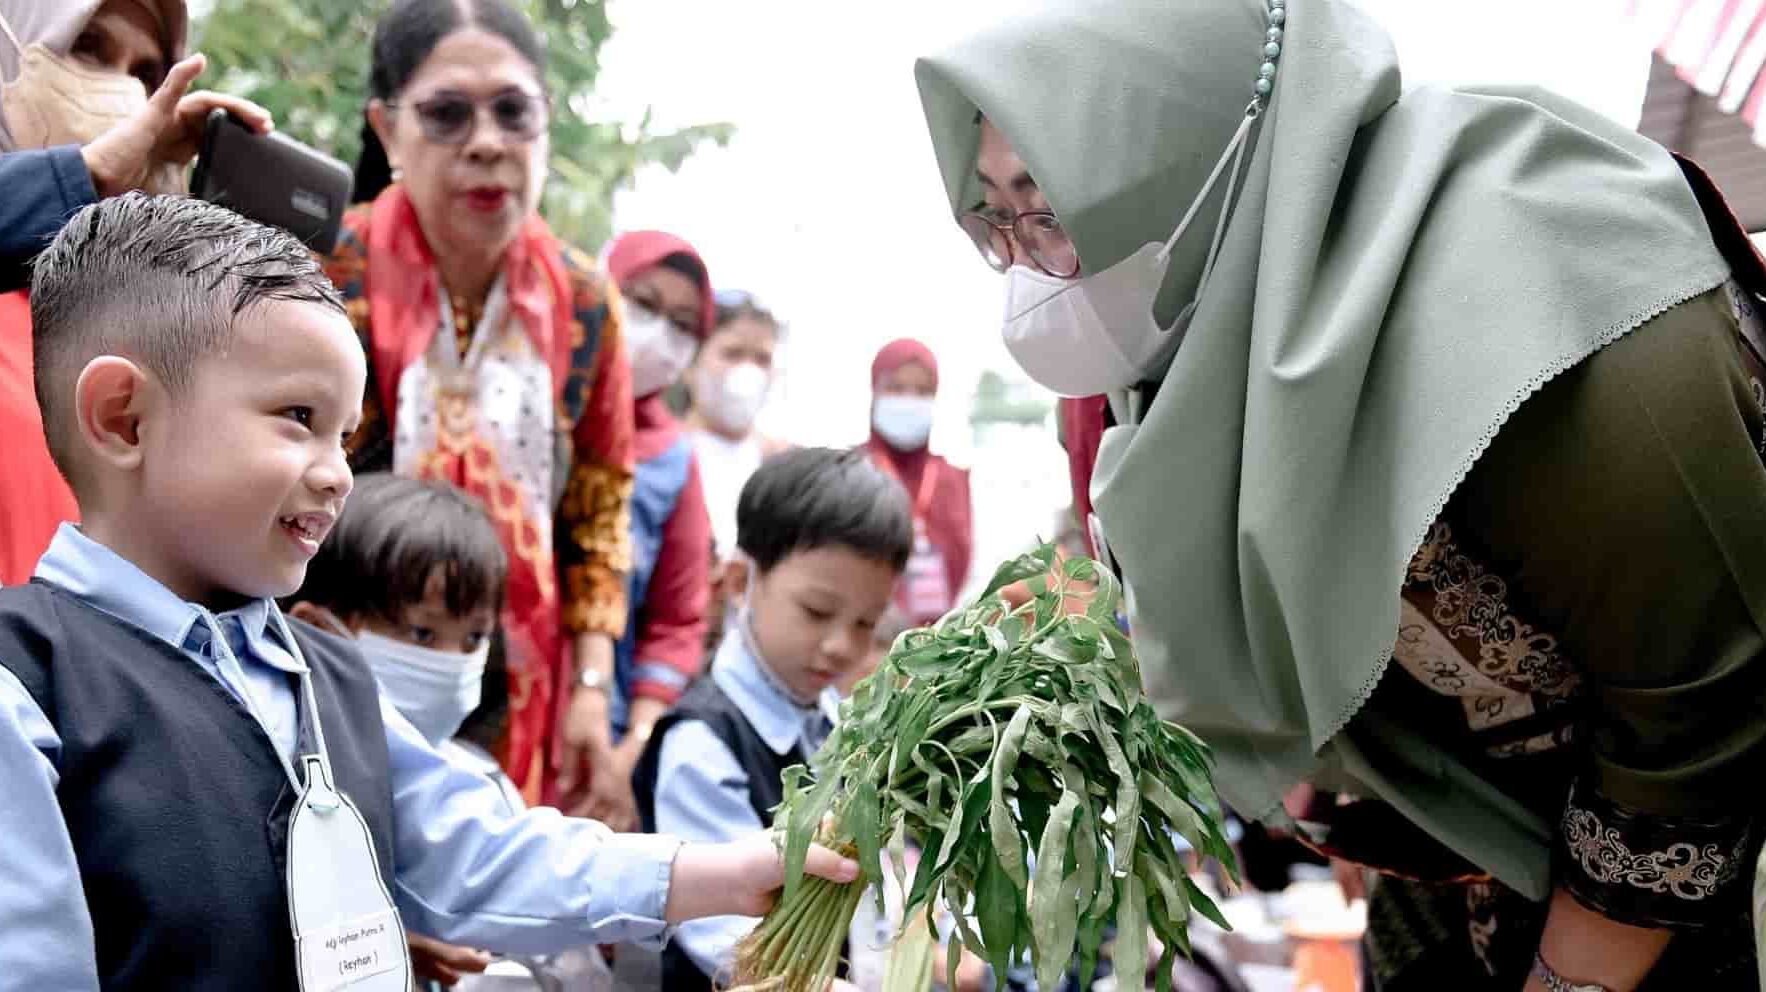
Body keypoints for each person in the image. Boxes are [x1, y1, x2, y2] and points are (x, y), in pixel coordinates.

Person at [916, 0, 1766, 987]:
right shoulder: (1194, 351)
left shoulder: (1552, 304)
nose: (1029, 266)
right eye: (996, 216)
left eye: (1049, 210)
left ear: (1196, 160)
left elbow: (1704, 699)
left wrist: (1568, 978)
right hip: (1481, 855)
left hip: (1696, 869)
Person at [0, 192, 858, 990]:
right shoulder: (27, 686)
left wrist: (724, 874)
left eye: (345, 436)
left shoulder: (327, 676)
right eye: (298, 419)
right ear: (123, 417)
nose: (338, 474)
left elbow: (480, 851)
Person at [319, 0, 635, 814]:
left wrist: (592, 687)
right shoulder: (321, 275)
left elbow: (599, 512)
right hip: (338, 662)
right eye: (448, 114)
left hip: (522, 682)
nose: (487, 142)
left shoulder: (586, 304)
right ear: (388, 131)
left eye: (512, 112)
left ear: (546, 121)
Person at [0, 0, 271, 585]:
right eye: (89, 47)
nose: (125, 92)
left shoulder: (143, 316)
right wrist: (83, 176)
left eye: (146, 74)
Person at [632, 447, 914, 992]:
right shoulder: (702, 742)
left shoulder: (838, 726)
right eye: (816, 612)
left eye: (865, 623)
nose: (841, 645)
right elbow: (731, 943)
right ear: (741, 581)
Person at [597, 229, 716, 832]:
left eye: (683, 324)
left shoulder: (672, 460)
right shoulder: (547, 407)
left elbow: (676, 620)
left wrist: (630, 748)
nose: (659, 333)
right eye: (642, 304)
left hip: (608, 736)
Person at [864, 338, 973, 625]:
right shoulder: (852, 471)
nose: (909, 400)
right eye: (896, 388)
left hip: (939, 635)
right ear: (875, 391)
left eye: (923, 391)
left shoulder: (952, 478)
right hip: (866, 634)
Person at [687, 289, 790, 564]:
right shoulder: (664, 455)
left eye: (762, 359)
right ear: (691, 363)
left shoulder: (782, 465)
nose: (748, 371)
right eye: (732, 354)